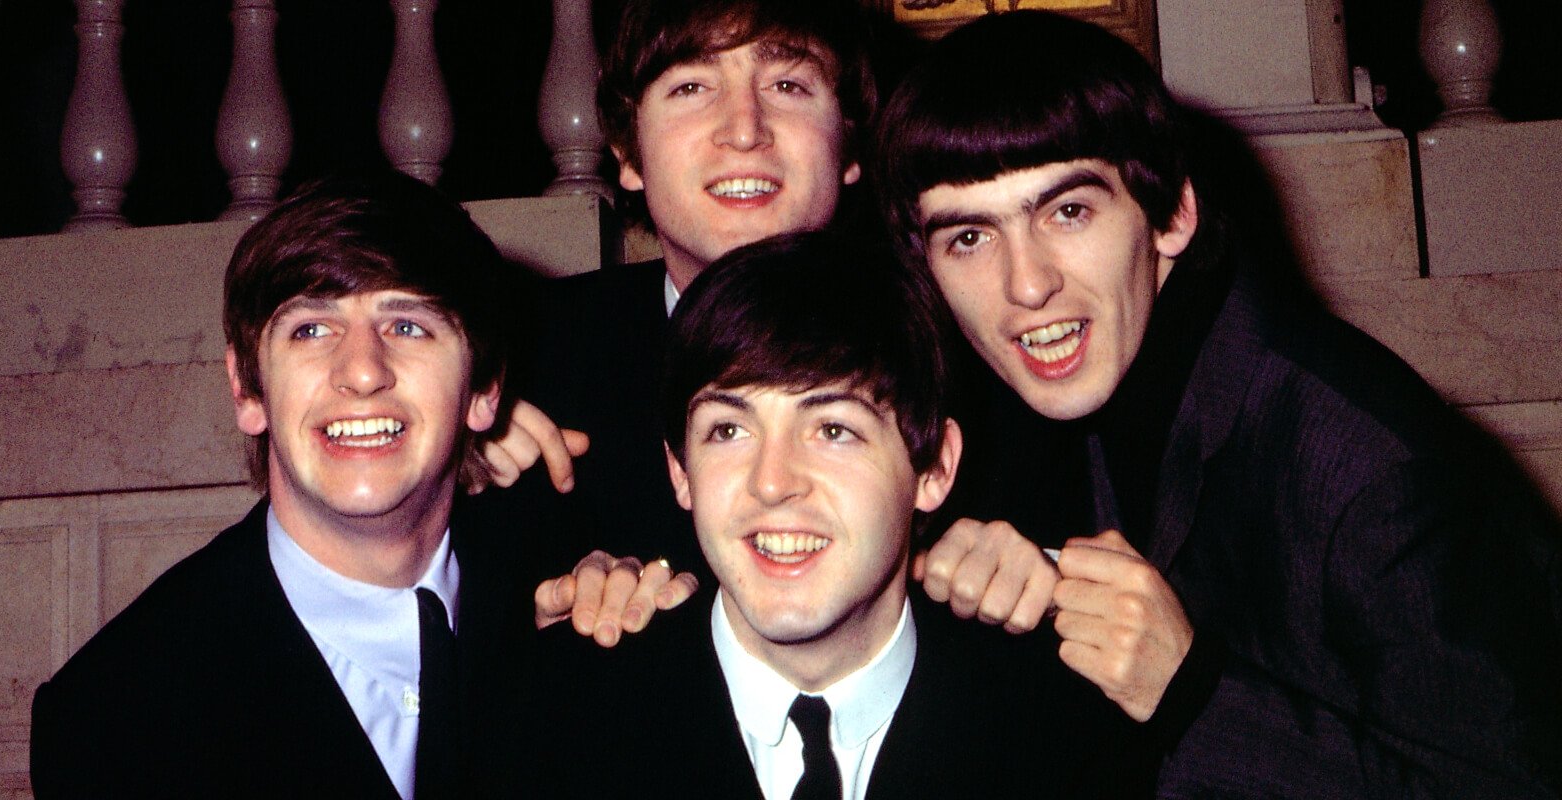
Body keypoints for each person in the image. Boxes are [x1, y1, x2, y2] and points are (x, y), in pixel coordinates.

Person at [876, 11, 1562, 797]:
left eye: (1068, 211)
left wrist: (1190, 693)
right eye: (969, 238)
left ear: (1171, 214)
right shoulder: (1038, 405)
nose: (1026, 285)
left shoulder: (1369, 471)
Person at [29, 173, 675, 798]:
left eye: (407, 326)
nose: (362, 372)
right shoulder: (114, 717)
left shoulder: (567, 616)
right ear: (247, 388)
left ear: (483, 389)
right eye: (311, 329)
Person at [515, 231, 1142, 799]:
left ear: (934, 468)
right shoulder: (557, 720)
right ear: (681, 471)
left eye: (834, 430)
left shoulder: (1059, 737)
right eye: (729, 430)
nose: (773, 482)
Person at [475, 0, 879, 645]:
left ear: (849, 145)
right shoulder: (511, 364)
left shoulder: (950, 358)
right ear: (628, 155)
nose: (744, 130)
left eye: (787, 85)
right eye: (691, 87)